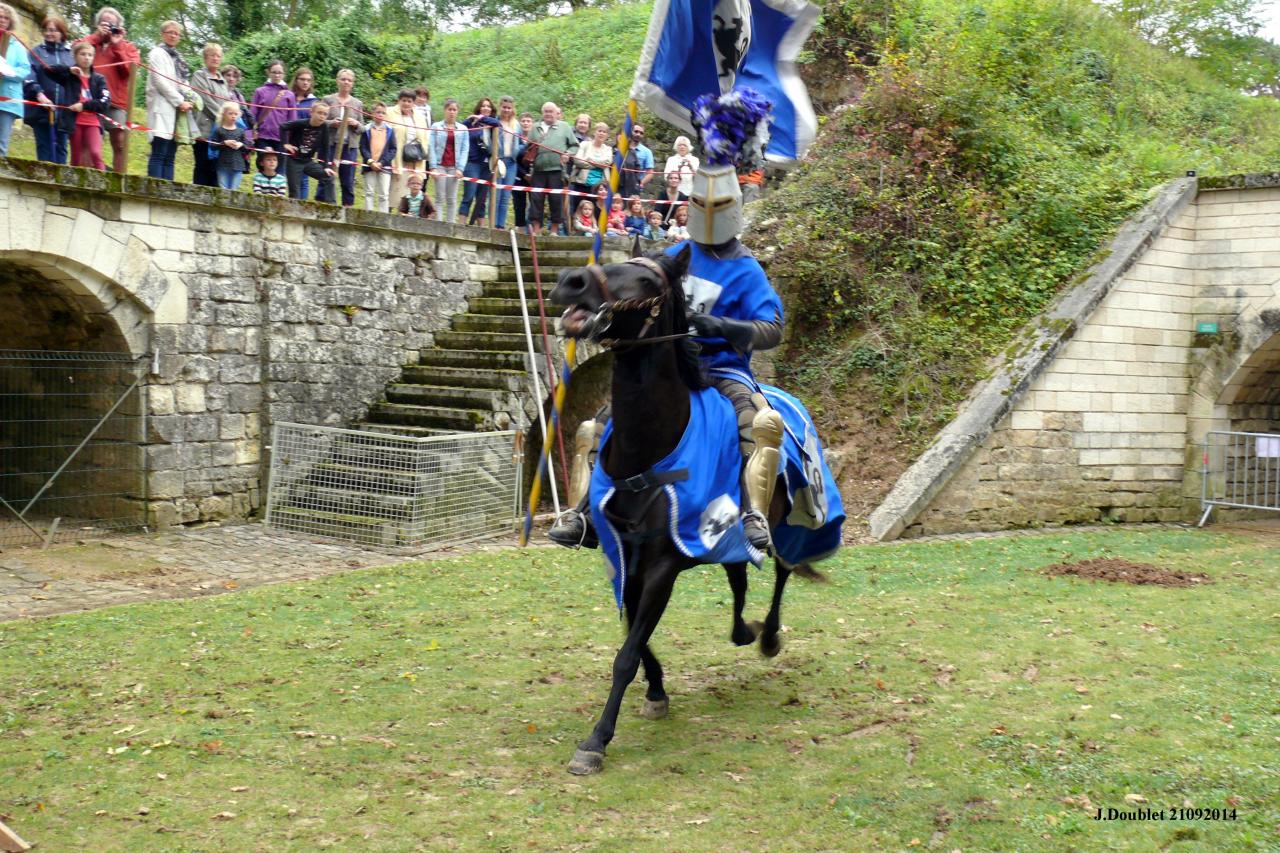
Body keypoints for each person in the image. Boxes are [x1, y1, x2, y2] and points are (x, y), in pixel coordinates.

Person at [550, 104, 783, 554]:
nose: (709, 213)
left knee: (757, 421)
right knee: (598, 426)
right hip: (671, 367)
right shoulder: (677, 255)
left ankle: (754, 514)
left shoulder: (747, 269)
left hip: (723, 370)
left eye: (717, 206)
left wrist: (723, 326)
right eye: (701, 204)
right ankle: (581, 514)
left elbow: (772, 328)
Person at [75, 7, 138, 173]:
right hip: (91, 101)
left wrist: (117, 46)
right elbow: (74, 52)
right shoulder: (90, 42)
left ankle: (119, 179)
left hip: (117, 103)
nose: (108, 28)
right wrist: (96, 36)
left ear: (119, 26)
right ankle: (86, 177)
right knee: (88, 142)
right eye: (104, 24)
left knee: (120, 142)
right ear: (97, 25)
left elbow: (130, 71)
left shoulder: (128, 47)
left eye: (112, 25)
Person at [46, 42, 110, 170]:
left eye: (90, 55)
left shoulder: (99, 79)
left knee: (95, 153)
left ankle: (104, 186)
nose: (87, 58)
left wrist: (84, 105)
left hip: (93, 122)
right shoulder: (69, 76)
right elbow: (48, 70)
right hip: (75, 122)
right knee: (76, 157)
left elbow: (105, 102)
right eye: (83, 54)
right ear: (75, 57)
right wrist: (68, 69)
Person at [143, 20, 194, 180]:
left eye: (176, 33)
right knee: (159, 152)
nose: (173, 35)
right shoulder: (156, 53)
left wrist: (190, 97)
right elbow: (160, 82)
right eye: (170, 32)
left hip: (178, 110)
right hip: (162, 107)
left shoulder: (179, 57)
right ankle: (154, 192)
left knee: (171, 155)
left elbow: (183, 81)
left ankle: (167, 193)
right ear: (162, 34)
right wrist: (180, 101)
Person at [23, 15, 74, 164]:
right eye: (46, 30)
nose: (48, 33)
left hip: (64, 112)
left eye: (53, 30)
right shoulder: (36, 52)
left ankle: (59, 184)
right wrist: (39, 95)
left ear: (62, 32)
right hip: (41, 110)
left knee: (62, 148)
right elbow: (29, 75)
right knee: (44, 147)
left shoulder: (70, 55)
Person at [525, 102, 577, 237]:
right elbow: (528, 147)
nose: (548, 114)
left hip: (557, 170)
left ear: (556, 113)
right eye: (546, 111)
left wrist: (568, 154)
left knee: (556, 199)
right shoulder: (535, 127)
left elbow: (575, 146)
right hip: (538, 170)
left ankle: (554, 230)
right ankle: (537, 230)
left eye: (551, 111)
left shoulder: (565, 127)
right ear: (543, 113)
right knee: (536, 199)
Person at [189, 42, 230, 187]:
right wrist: (224, 118)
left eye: (218, 55)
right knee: (202, 165)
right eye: (212, 55)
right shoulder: (199, 76)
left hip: (219, 132)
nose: (215, 58)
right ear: (205, 58)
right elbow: (205, 101)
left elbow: (227, 103)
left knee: (215, 169)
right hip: (204, 129)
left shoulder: (222, 80)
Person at [321, 68, 362, 207]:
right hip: (331, 144)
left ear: (353, 83)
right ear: (337, 81)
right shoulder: (328, 100)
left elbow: (362, 128)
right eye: (343, 79)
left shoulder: (357, 103)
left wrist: (355, 124)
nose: (346, 82)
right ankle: (323, 205)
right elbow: (319, 120)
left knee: (348, 180)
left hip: (349, 147)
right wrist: (332, 123)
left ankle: (348, 209)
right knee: (327, 177)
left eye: (349, 80)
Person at [279, 100, 334, 200]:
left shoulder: (324, 127)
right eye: (319, 113)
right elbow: (283, 126)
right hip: (294, 161)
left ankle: (332, 206)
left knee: (328, 177)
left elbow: (325, 148)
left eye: (325, 114)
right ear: (311, 112)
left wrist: (325, 166)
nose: (322, 116)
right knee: (295, 192)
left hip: (308, 161)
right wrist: (285, 144)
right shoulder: (301, 123)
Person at [458, 97, 499, 225]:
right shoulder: (470, 122)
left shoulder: (492, 124)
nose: (486, 108)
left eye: (488, 106)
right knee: (469, 195)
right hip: (472, 163)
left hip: (486, 164)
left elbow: (499, 124)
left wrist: (482, 118)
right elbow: (459, 130)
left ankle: (481, 227)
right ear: (479, 108)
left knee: (482, 198)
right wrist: (476, 119)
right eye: (483, 106)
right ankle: (461, 224)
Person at [427, 98, 468, 223]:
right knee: (439, 197)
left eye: (454, 110)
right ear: (445, 110)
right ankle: (439, 225)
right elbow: (431, 147)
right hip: (440, 165)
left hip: (454, 167)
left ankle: (450, 226)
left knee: (452, 199)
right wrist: (432, 167)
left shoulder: (463, 129)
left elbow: (465, 150)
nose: (452, 112)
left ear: (457, 111)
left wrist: (460, 169)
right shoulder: (436, 126)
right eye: (449, 109)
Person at [387, 89, 428, 212]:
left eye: (409, 101)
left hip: (415, 159)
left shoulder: (420, 117)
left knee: (411, 193)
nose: (406, 104)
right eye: (403, 100)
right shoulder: (390, 112)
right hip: (397, 158)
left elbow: (425, 137)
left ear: (413, 103)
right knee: (394, 191)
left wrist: (422, 155)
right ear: (399, 100)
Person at [250, 60, 295, 164]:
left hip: (281, 138)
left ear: (284, 74)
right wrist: (251, 132)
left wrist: (290, 140)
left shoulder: (289, 95)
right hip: (263, 136)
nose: (277, 75)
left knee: (280, 170)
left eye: (280, 72)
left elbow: (292, 119)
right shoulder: (259, 91)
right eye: (274, 72)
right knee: (263, 167)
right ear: (269, 72)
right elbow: (252, 114)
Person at [0, 5, 30, 157]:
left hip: (8, 99)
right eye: (0, 17)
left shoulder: (17, 46)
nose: (2, 20)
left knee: (1, 143)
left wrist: (6, 72)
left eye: (6, 18)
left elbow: (25, 70)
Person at [359, 102, 396, 213]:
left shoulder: (390, 130)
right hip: (369, 165)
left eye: (383, 113)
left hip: (384, 167)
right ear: (372, 113)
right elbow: (363, 147)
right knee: (369, 192)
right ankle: (368, 215)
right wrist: (370, 162)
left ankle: (383, 217)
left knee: (384, 194)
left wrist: (382, 163)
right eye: (378, 112)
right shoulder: (366, 129)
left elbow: (393, 149)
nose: (380, 115)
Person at [491, 96, 520, 228]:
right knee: (495, 195)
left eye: (509, 108)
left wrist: (520, 149)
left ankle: (500, 226)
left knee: (505, 197)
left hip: (511, 162)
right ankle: (492, 223)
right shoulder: (495, 122)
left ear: (512, 109)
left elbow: (520, 143)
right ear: (500, 107)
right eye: (504, 107)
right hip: (498, 160)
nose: (506, 110)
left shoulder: (516, 125)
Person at [289, 67, 318, 198]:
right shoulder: (289, 97)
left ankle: (303, 205)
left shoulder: (314, 101)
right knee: (290, 174)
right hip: (289, 140)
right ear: (296, 80)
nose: (305, 83)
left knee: (304, 177)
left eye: (308, 80)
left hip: (306, 142)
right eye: (302, 79)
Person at [209, 102, 248, 189]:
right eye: (230, 113)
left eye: (235, 114)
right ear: (223, 114)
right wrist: (224, 143)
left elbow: (248, 148)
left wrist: (241, 144)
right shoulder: (219, 130)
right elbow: (212, 146)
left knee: (235, 190)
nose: (233, 116)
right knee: (223, 188)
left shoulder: (241, 131)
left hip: (238, 165)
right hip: (222, 165)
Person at [571, 121, 612, 199]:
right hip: (582, 184)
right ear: (594, 132)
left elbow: (607, 163)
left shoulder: (608, 149)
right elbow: (577, 161)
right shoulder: (584, 144)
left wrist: (589, 159)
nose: (601, 133)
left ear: (607, 135)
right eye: (599, 131)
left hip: (600, 188)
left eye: (604, 132)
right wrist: (599, 165)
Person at [512, 111, 534, 230]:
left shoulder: (536, 139)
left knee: (534, 203)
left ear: (532, 123)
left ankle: (531, 228)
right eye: (523, 121)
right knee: (519, 203)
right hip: (518, 174)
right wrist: (524, 174)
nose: (526, 123)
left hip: (534, 175)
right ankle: (520, 228)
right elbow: (513, 159)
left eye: (528, 121)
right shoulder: (516, 138)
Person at [619, 123, 654, 199]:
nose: (638, 134)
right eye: (636, 131)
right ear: (630, 131)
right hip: (619, 185)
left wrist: (640, 184)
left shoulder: (647, 152)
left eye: (641, 133)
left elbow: (650, 173)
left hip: (634, 188)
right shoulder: (621, 148)